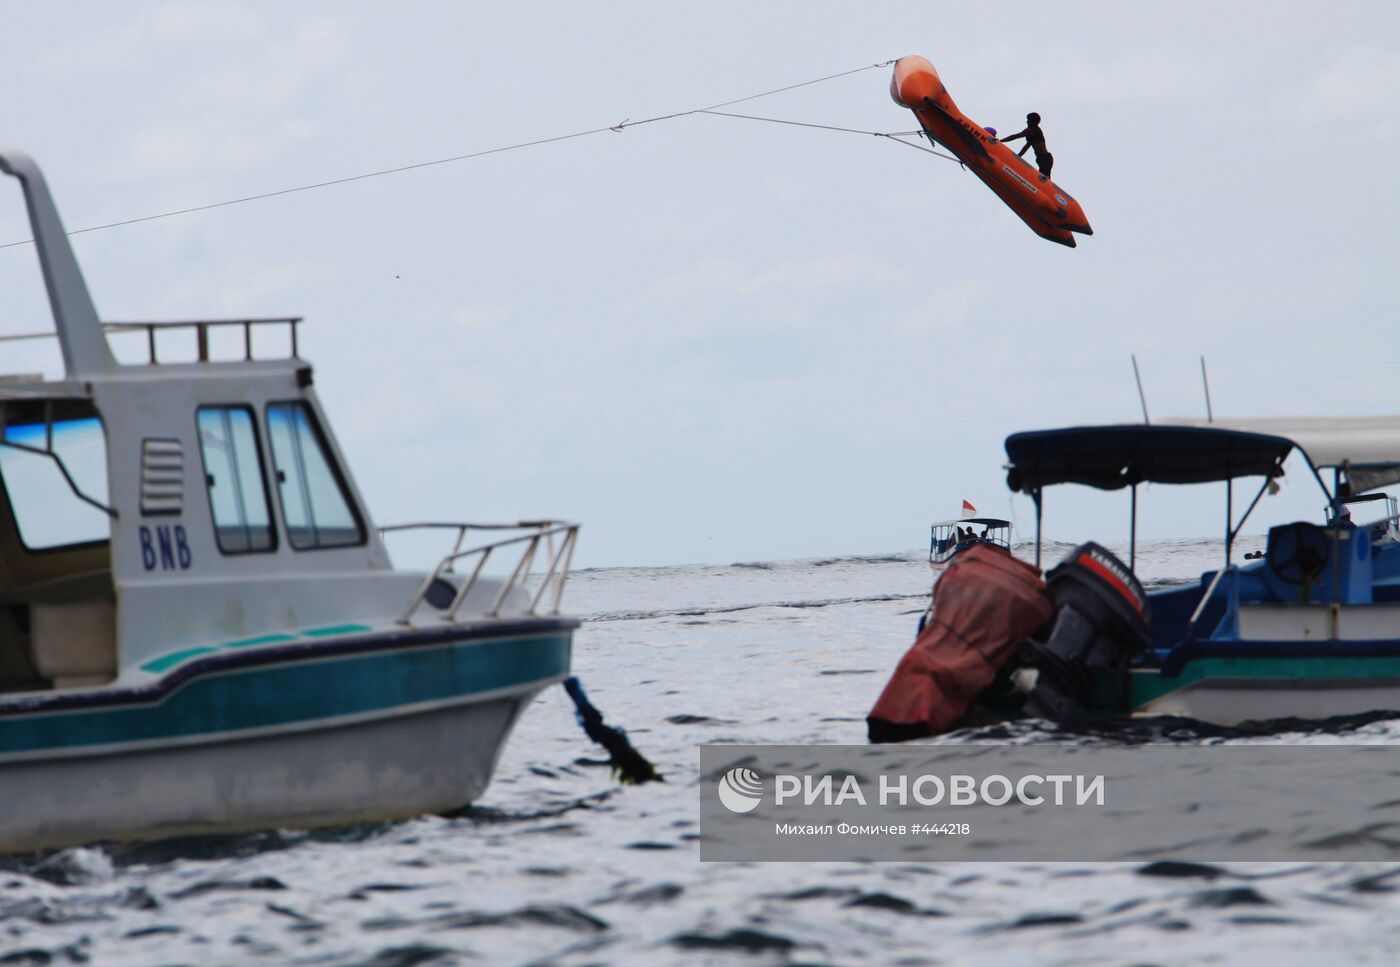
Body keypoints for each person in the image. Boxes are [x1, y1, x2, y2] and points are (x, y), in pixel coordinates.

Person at [1001, 112, 1053, 179]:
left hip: (1045, 159)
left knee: (1043, 180)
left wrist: (1000, 141)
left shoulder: (1030, 130)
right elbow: (1027, 146)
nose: (1027, 122)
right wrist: (1018, 156)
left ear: (1032, 121)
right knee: (1043, 179)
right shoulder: (1034, 130)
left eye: (1028, 120)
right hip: (1043, 159)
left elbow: (1014, 136)